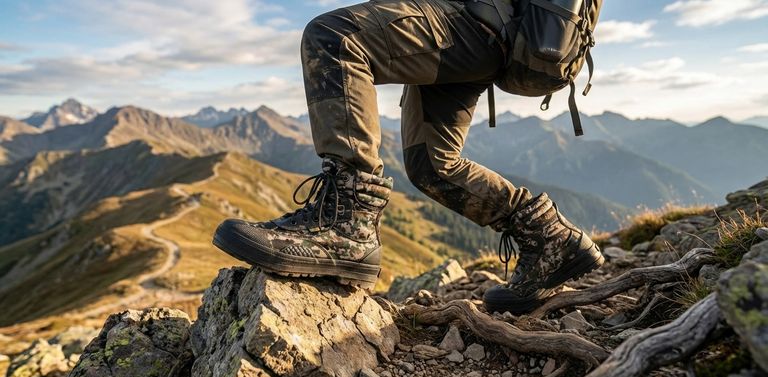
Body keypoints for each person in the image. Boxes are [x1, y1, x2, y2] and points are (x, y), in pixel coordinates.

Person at [213, 0, 604, 314]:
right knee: (433, 166)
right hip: (485, 29)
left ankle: (345, 227)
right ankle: (548, 236)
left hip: (470, 18)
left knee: (335, 37)